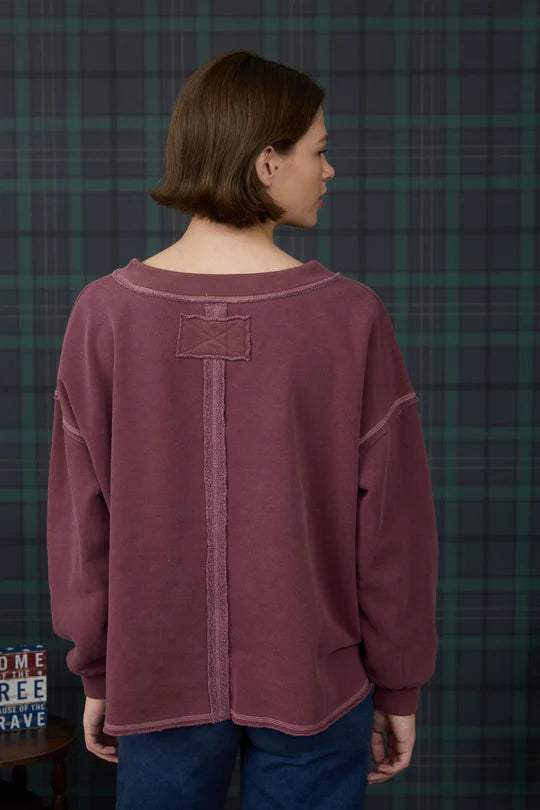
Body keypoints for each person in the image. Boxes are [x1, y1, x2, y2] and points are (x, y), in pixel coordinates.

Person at [46, 49, 438, 810]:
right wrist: (399, 684)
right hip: (315, 681)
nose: (329, 171)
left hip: (154, 683)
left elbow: (80, 526)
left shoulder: (104, 314)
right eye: (318, 151)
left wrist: (97, 670)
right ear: (266, 163)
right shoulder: (350, 317)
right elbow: (392, 534)